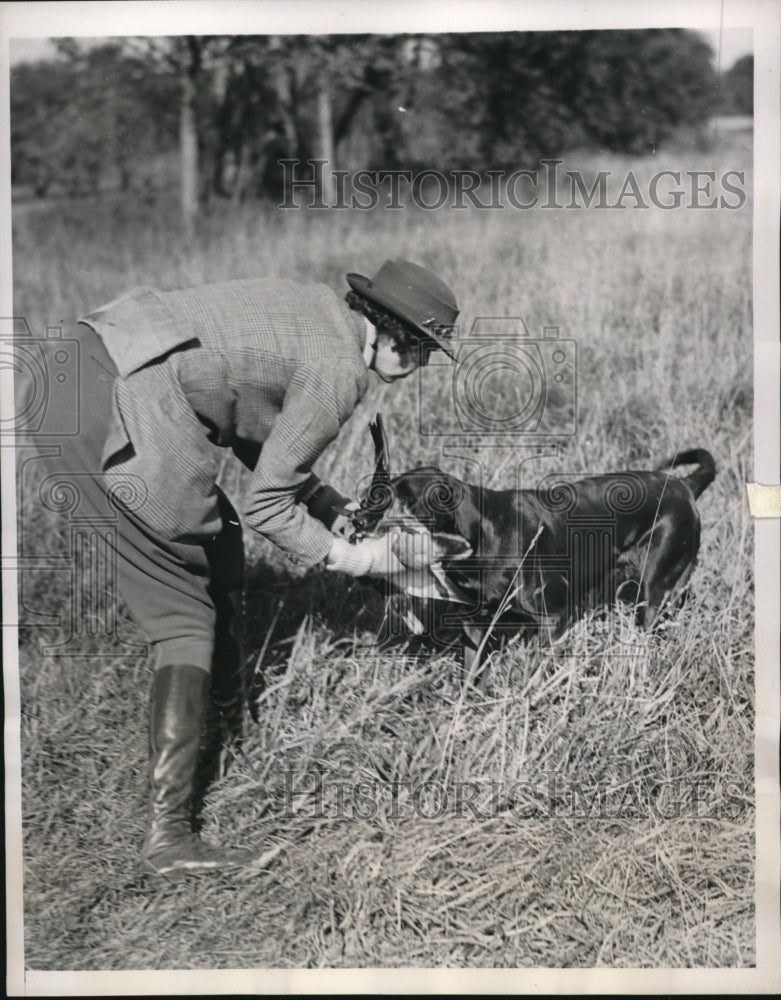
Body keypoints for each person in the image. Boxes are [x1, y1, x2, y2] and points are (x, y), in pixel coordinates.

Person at [38, 259, 459, 876]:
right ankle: (169, 835)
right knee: (183, 607)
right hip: (111, 403)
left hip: (80, 362)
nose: (418, 366)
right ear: (397, 336)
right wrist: (359, 557)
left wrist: (327, 505)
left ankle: (232, 716)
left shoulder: (315, 314)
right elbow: (268, 504)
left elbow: (242, 419)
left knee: (221, 544)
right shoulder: (339, 371)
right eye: (422, 351)